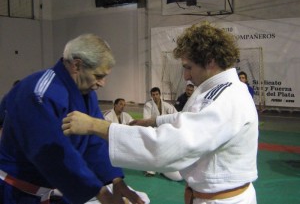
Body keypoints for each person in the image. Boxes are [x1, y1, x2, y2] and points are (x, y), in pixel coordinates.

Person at [62, 22, 259, 204]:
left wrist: (96, 125)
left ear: (210, 61)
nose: (186, 76)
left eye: (188, 67)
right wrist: (153, 121)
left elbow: (169, 146)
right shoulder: (217, 90)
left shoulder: (228, 98)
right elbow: (192, 119)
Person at [0, 34, 145, 204]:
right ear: (76, 65)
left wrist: (114, 179)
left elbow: (94, 140)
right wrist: (100, 193)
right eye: (98, 76)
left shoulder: (86, 93)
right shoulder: (39, 93)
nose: (103, 83)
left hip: (54, 189)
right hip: (17, 192)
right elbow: (52, 155)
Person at [142, 87, 182, 181]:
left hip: (165, 130)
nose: (155, 96)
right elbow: (146, 119)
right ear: (151, 96)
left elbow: (175, 114)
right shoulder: (148, 105)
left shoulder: (166, 105)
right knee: (152, 148)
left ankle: (164, 166)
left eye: (156, 94)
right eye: (153, 95)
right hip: (153, 129)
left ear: (160, 95)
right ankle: (150, 169)